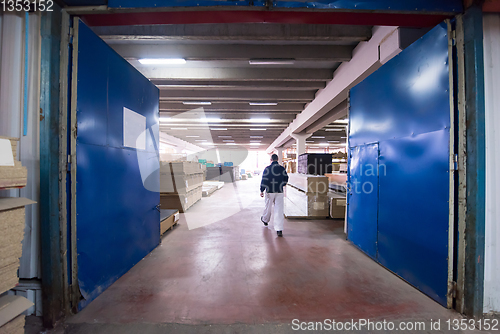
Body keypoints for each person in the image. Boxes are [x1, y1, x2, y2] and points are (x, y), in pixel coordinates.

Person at [260, 153, 289, 237]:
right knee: (279, 210)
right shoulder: (282, 168)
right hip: (279, 191)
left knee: (268, 207)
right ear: (278, 159)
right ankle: (279, 229)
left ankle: (265, 220)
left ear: (271, 160)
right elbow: (286, 178)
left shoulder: (267, 169)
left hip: (270, 191)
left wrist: (262, 190)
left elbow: (264, 180)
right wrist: (282, 184)